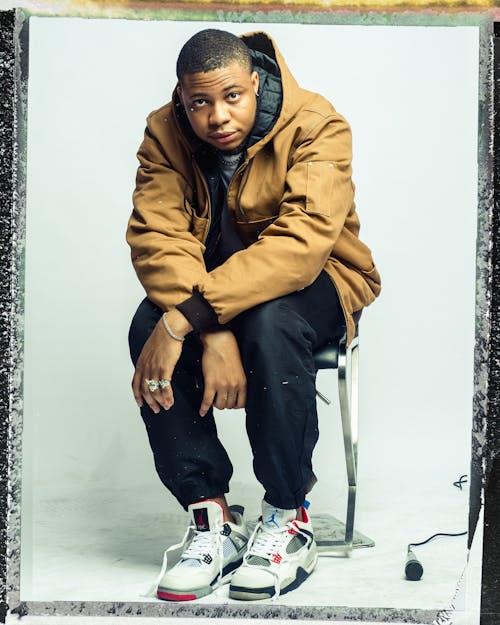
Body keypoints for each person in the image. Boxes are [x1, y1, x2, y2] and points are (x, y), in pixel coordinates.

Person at [127, 28, 381, 603]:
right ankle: (210, 518)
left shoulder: (318, 124)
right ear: (182, 97)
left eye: (232, 97)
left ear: (257, 83)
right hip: (212, 293)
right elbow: (157, 237)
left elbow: (301, 245)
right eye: (199, 102)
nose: (217, 116)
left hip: (319, 281)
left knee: (271, 322)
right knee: (148, 325)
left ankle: (288, 518)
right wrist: (205, 328)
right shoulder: (163, 133)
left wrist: (186, 318)